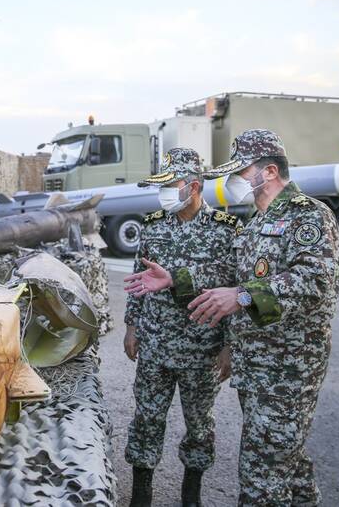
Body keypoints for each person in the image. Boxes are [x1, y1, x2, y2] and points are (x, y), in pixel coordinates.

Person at [187, 129, 339, 505]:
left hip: (288, 370)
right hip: (257, 366)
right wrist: (175, 279)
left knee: (262, 478)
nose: (232, 180)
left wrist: (242, 296)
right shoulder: (257, 221)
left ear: (270, 171)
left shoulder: (308, 214)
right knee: (290, 462)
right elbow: (231, 275)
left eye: (239, 172)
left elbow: (314, 280)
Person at [123, 147, 241, 507]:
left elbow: (235, 290)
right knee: (147, 418)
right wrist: (132, 325)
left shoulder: (227, 230)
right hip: (156, 342)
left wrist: (229, 345)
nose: (163, 193)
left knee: (200, 425)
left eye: (169, 186)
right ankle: (141, 493)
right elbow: (138, 280)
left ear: (193, 187)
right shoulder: (153, 225)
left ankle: (191, 494)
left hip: (202, 348)